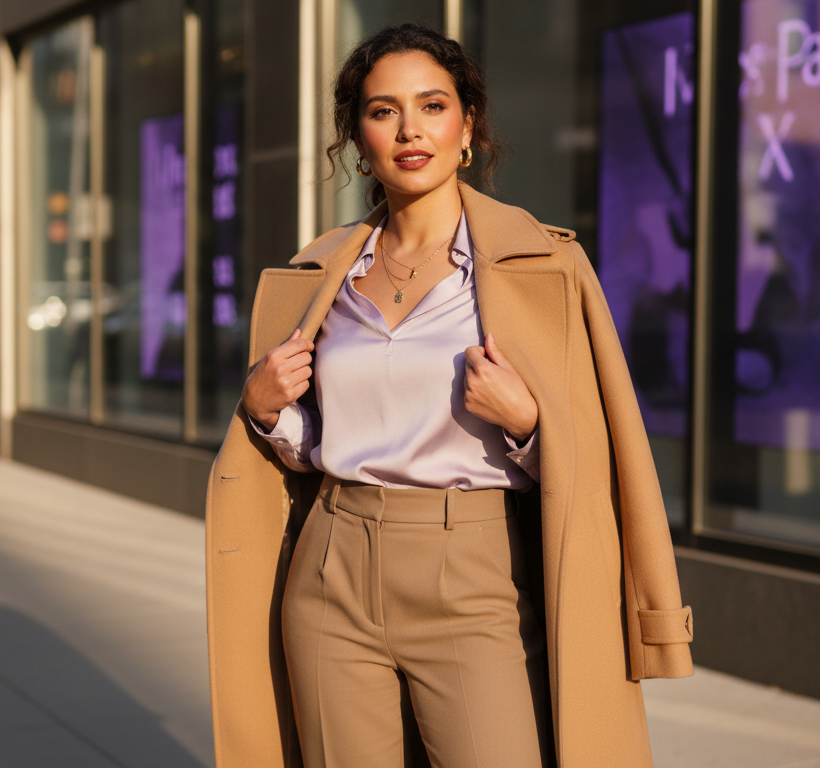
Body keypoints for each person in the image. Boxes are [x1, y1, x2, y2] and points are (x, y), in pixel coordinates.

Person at [205, 23, 693, 768]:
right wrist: (270, 413)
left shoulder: (543, 268)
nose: (410, 129)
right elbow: (317, 445)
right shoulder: (317, 276)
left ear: (468, 127)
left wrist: (530, 423)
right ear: (357, 137)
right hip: (331, 564)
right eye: (382, 110)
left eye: (432, 106)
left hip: (474, 571)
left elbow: (601, 453)